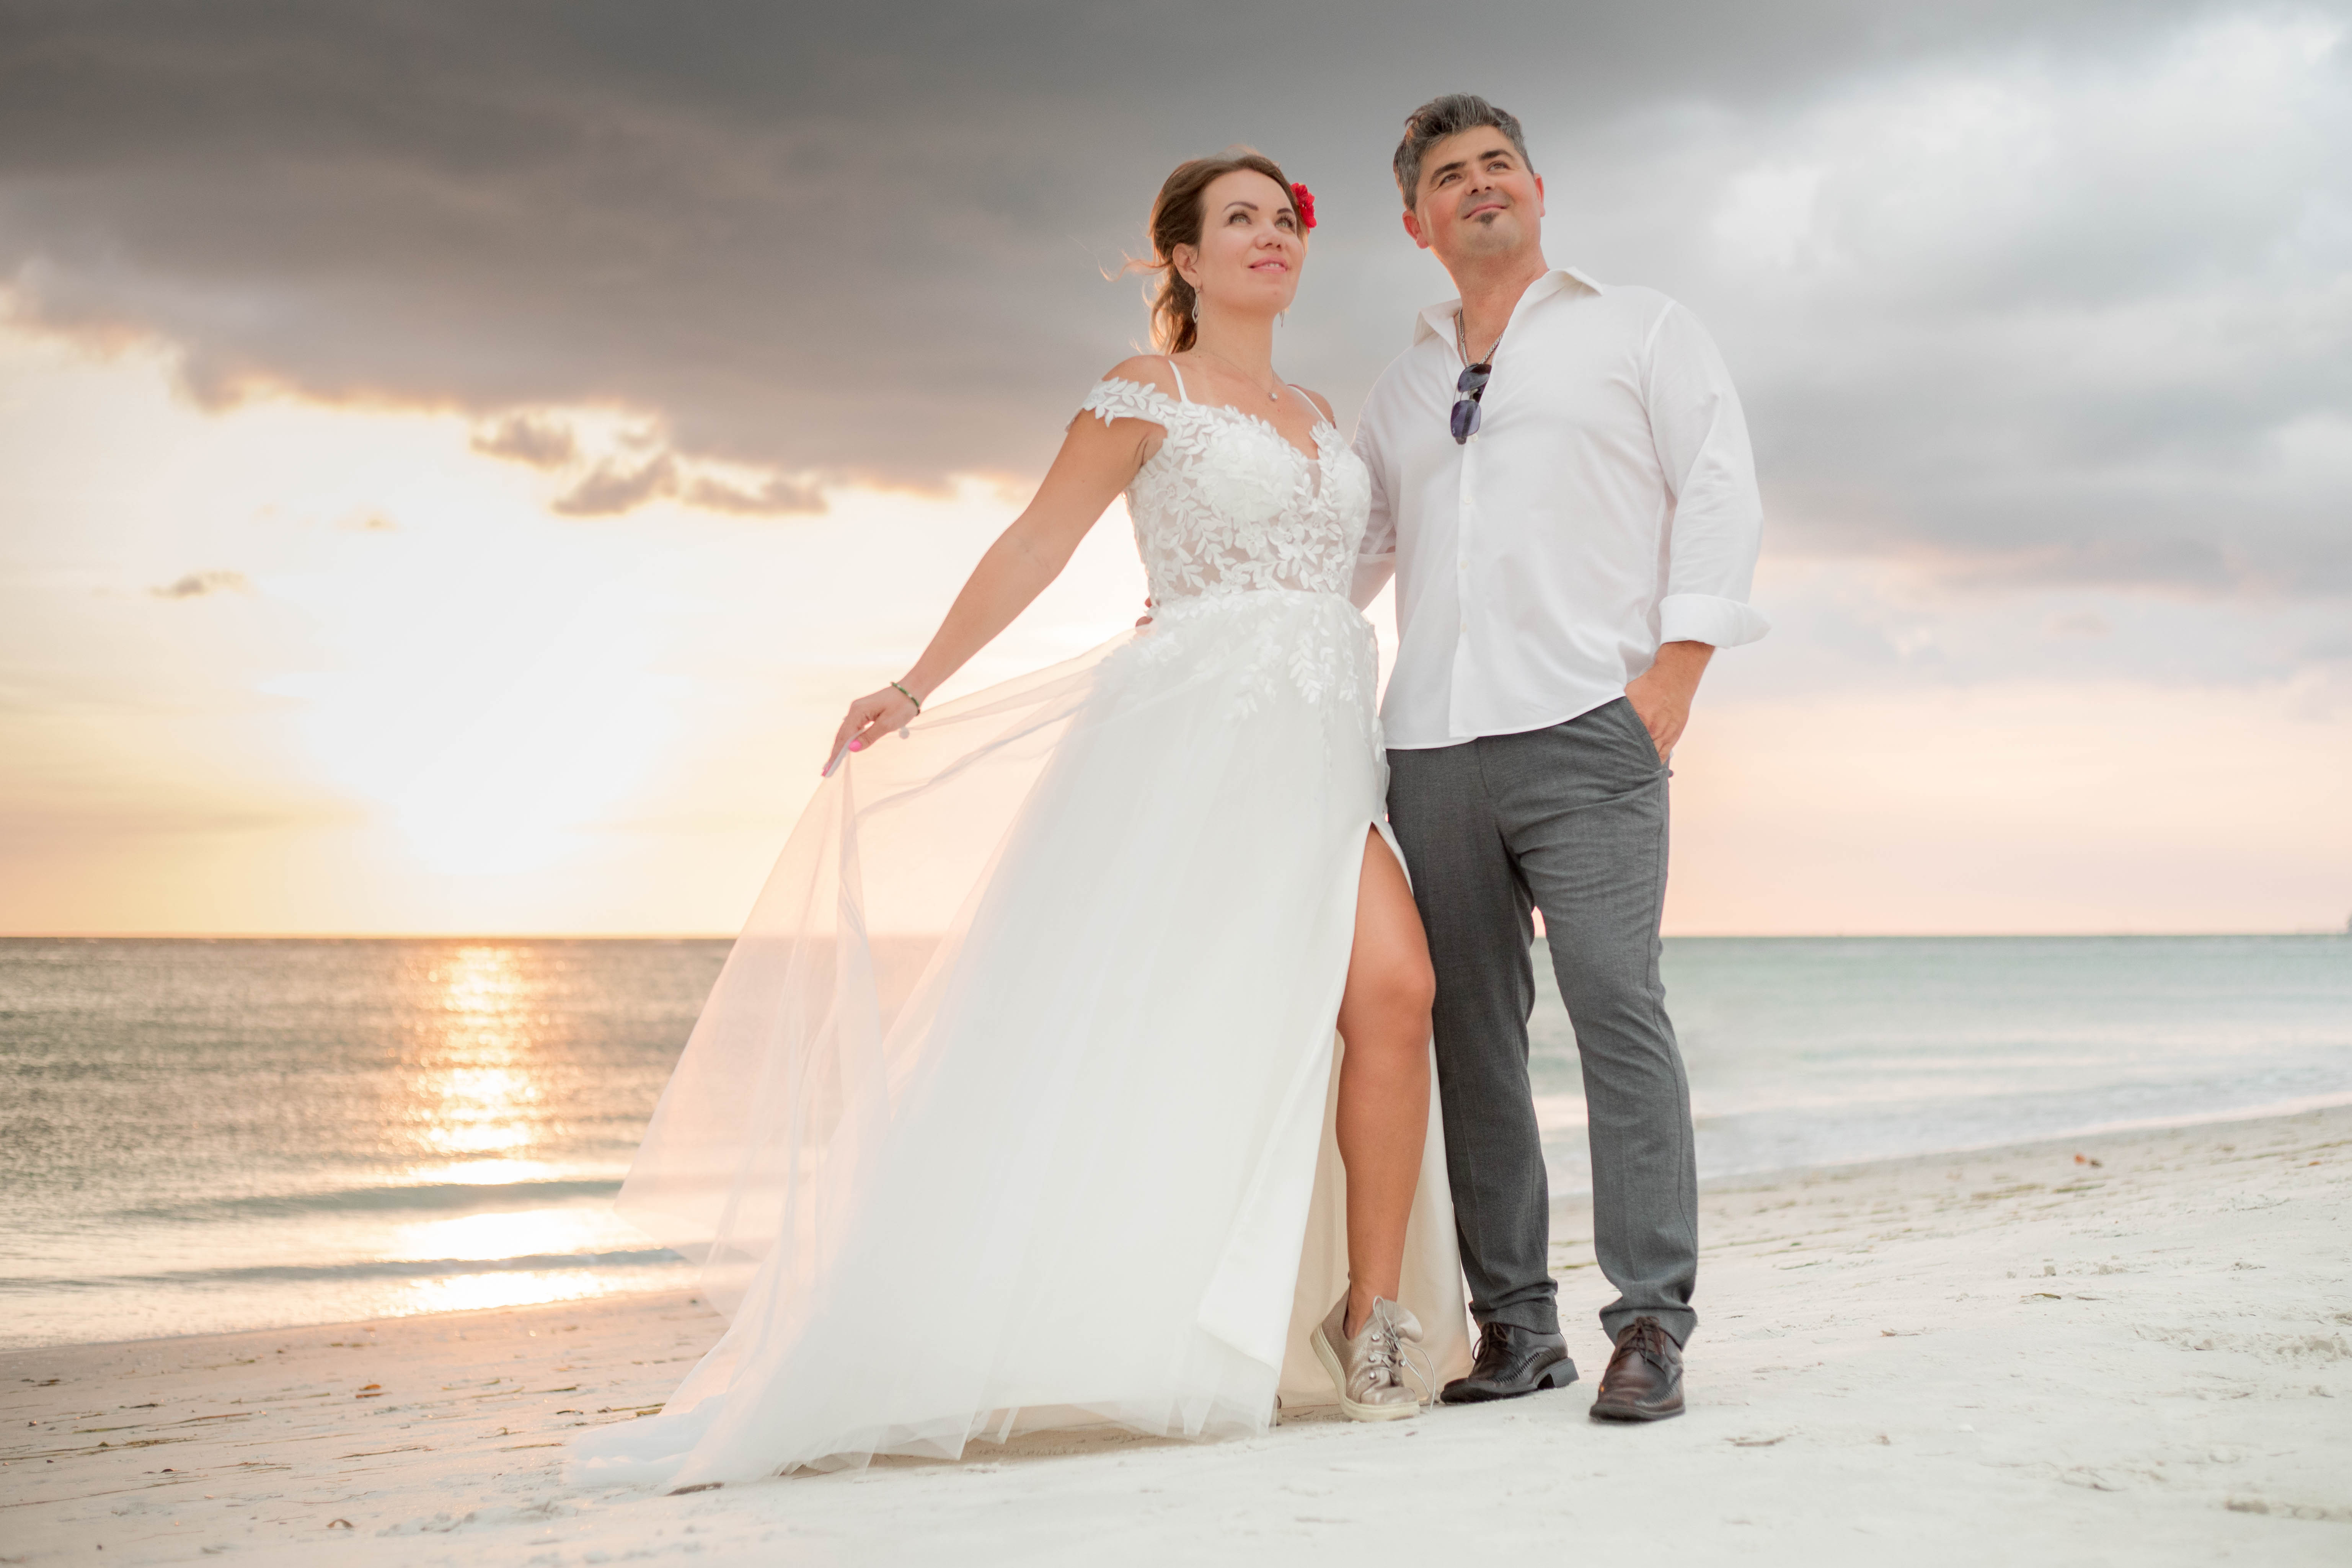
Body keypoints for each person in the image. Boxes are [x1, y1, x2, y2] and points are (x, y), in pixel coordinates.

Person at [568, 150, 1471, 1489]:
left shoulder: (1321, 409)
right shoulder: (1140, 396)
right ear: (1181, 257)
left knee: (1395, 991)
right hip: (1194, 755)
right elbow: (1037, 543)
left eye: (1285, 221)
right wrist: (915, 683)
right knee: (1170, 1033)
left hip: (1324, 755)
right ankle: (1128, 1308)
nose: (1272, 239)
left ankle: (1372, 1318)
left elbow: (1337, 569)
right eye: (1241, 221)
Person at [1351, 94, 1768, 1422]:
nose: (1478, 187)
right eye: (1449, 178)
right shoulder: (1401, 383)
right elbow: (1350, 549)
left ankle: (1648, 1321)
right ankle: (1515, 1328)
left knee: (1614, 1008)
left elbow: (1717, 483)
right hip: (1431, 746)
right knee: (1472, 1034)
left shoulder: (1638, 326)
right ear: (1416, 222)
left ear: (1538, 190)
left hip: (1592, 726)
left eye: (1497, 167)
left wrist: (1677, 668)